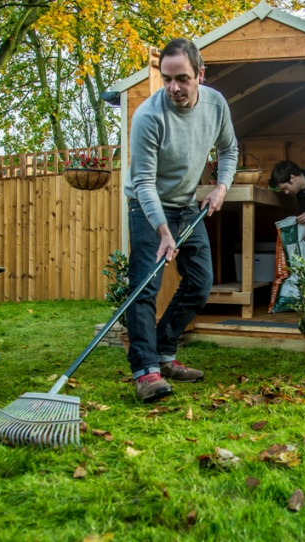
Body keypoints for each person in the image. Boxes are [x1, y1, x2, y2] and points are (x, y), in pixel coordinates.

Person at [125, 38, 238, 403]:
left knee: (201, 282)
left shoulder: (216, 104)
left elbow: (229, 149)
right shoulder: (148, 116)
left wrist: (221, 187)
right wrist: (162, 231)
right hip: (148, 205)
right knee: (145, 286)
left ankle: (163, 353)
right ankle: (146, 371)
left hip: (188, 205)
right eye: (167, 78)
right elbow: (142, 181)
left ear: (200, 75)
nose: (173, 87)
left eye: (183, 79)